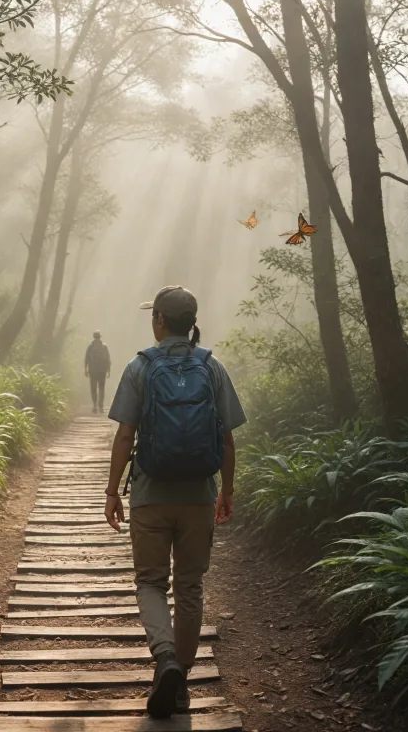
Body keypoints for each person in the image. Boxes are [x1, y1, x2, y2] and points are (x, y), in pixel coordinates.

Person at [104, 285, 246, 719]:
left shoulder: (139, 367)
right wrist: (226, 491)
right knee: (190, 585)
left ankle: (164, 657)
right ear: (192, 322)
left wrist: (112, 491)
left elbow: (125, 435)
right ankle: (180, 676)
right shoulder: (212, 366)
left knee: (150, 582)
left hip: (150, 495)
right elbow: (226, 438)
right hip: (198, 497)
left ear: (160, 321)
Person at [84, 330, 111, 414]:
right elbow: (108, 360)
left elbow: (86, 359)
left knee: (93, 388)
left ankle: (95, 405)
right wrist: (108, 370)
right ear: (100, 337)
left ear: (94, 337)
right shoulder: (104, 347)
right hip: (102, 370)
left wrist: (86, 370)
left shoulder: (90, 347)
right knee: (102, 388)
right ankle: (101, 406)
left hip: (93, 370)